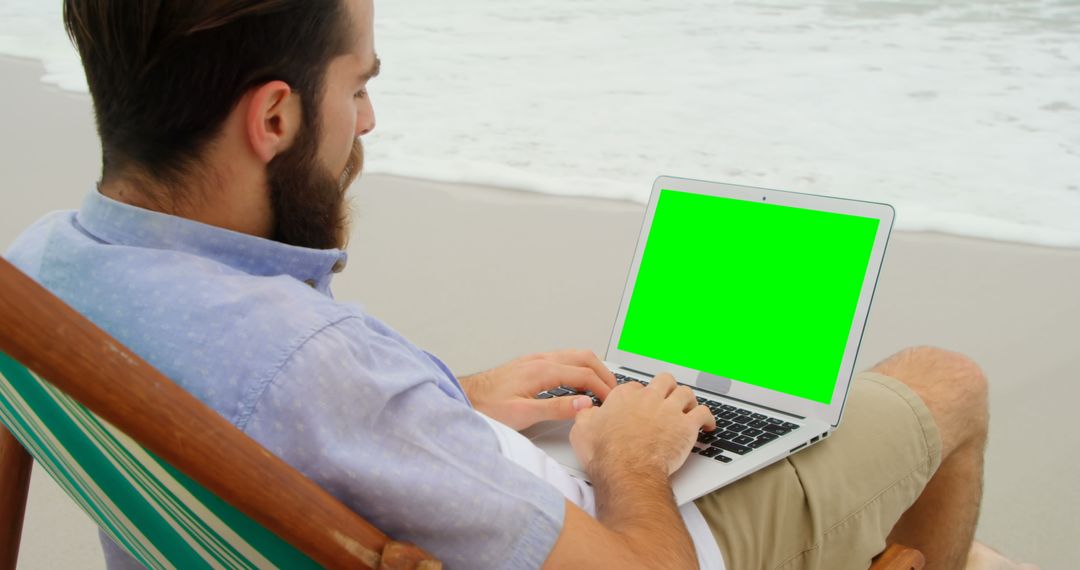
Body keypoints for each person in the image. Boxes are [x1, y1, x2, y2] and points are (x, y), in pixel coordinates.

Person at [3, 1, 1034, 568]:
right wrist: (628, 462)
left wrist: (448, 403)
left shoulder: (41, 273)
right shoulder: (316, 370)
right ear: (273, 120)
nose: (365, 123)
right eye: (356, 89)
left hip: (495, 489)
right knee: (945, 383)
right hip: (638, 537)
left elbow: (310, 417)